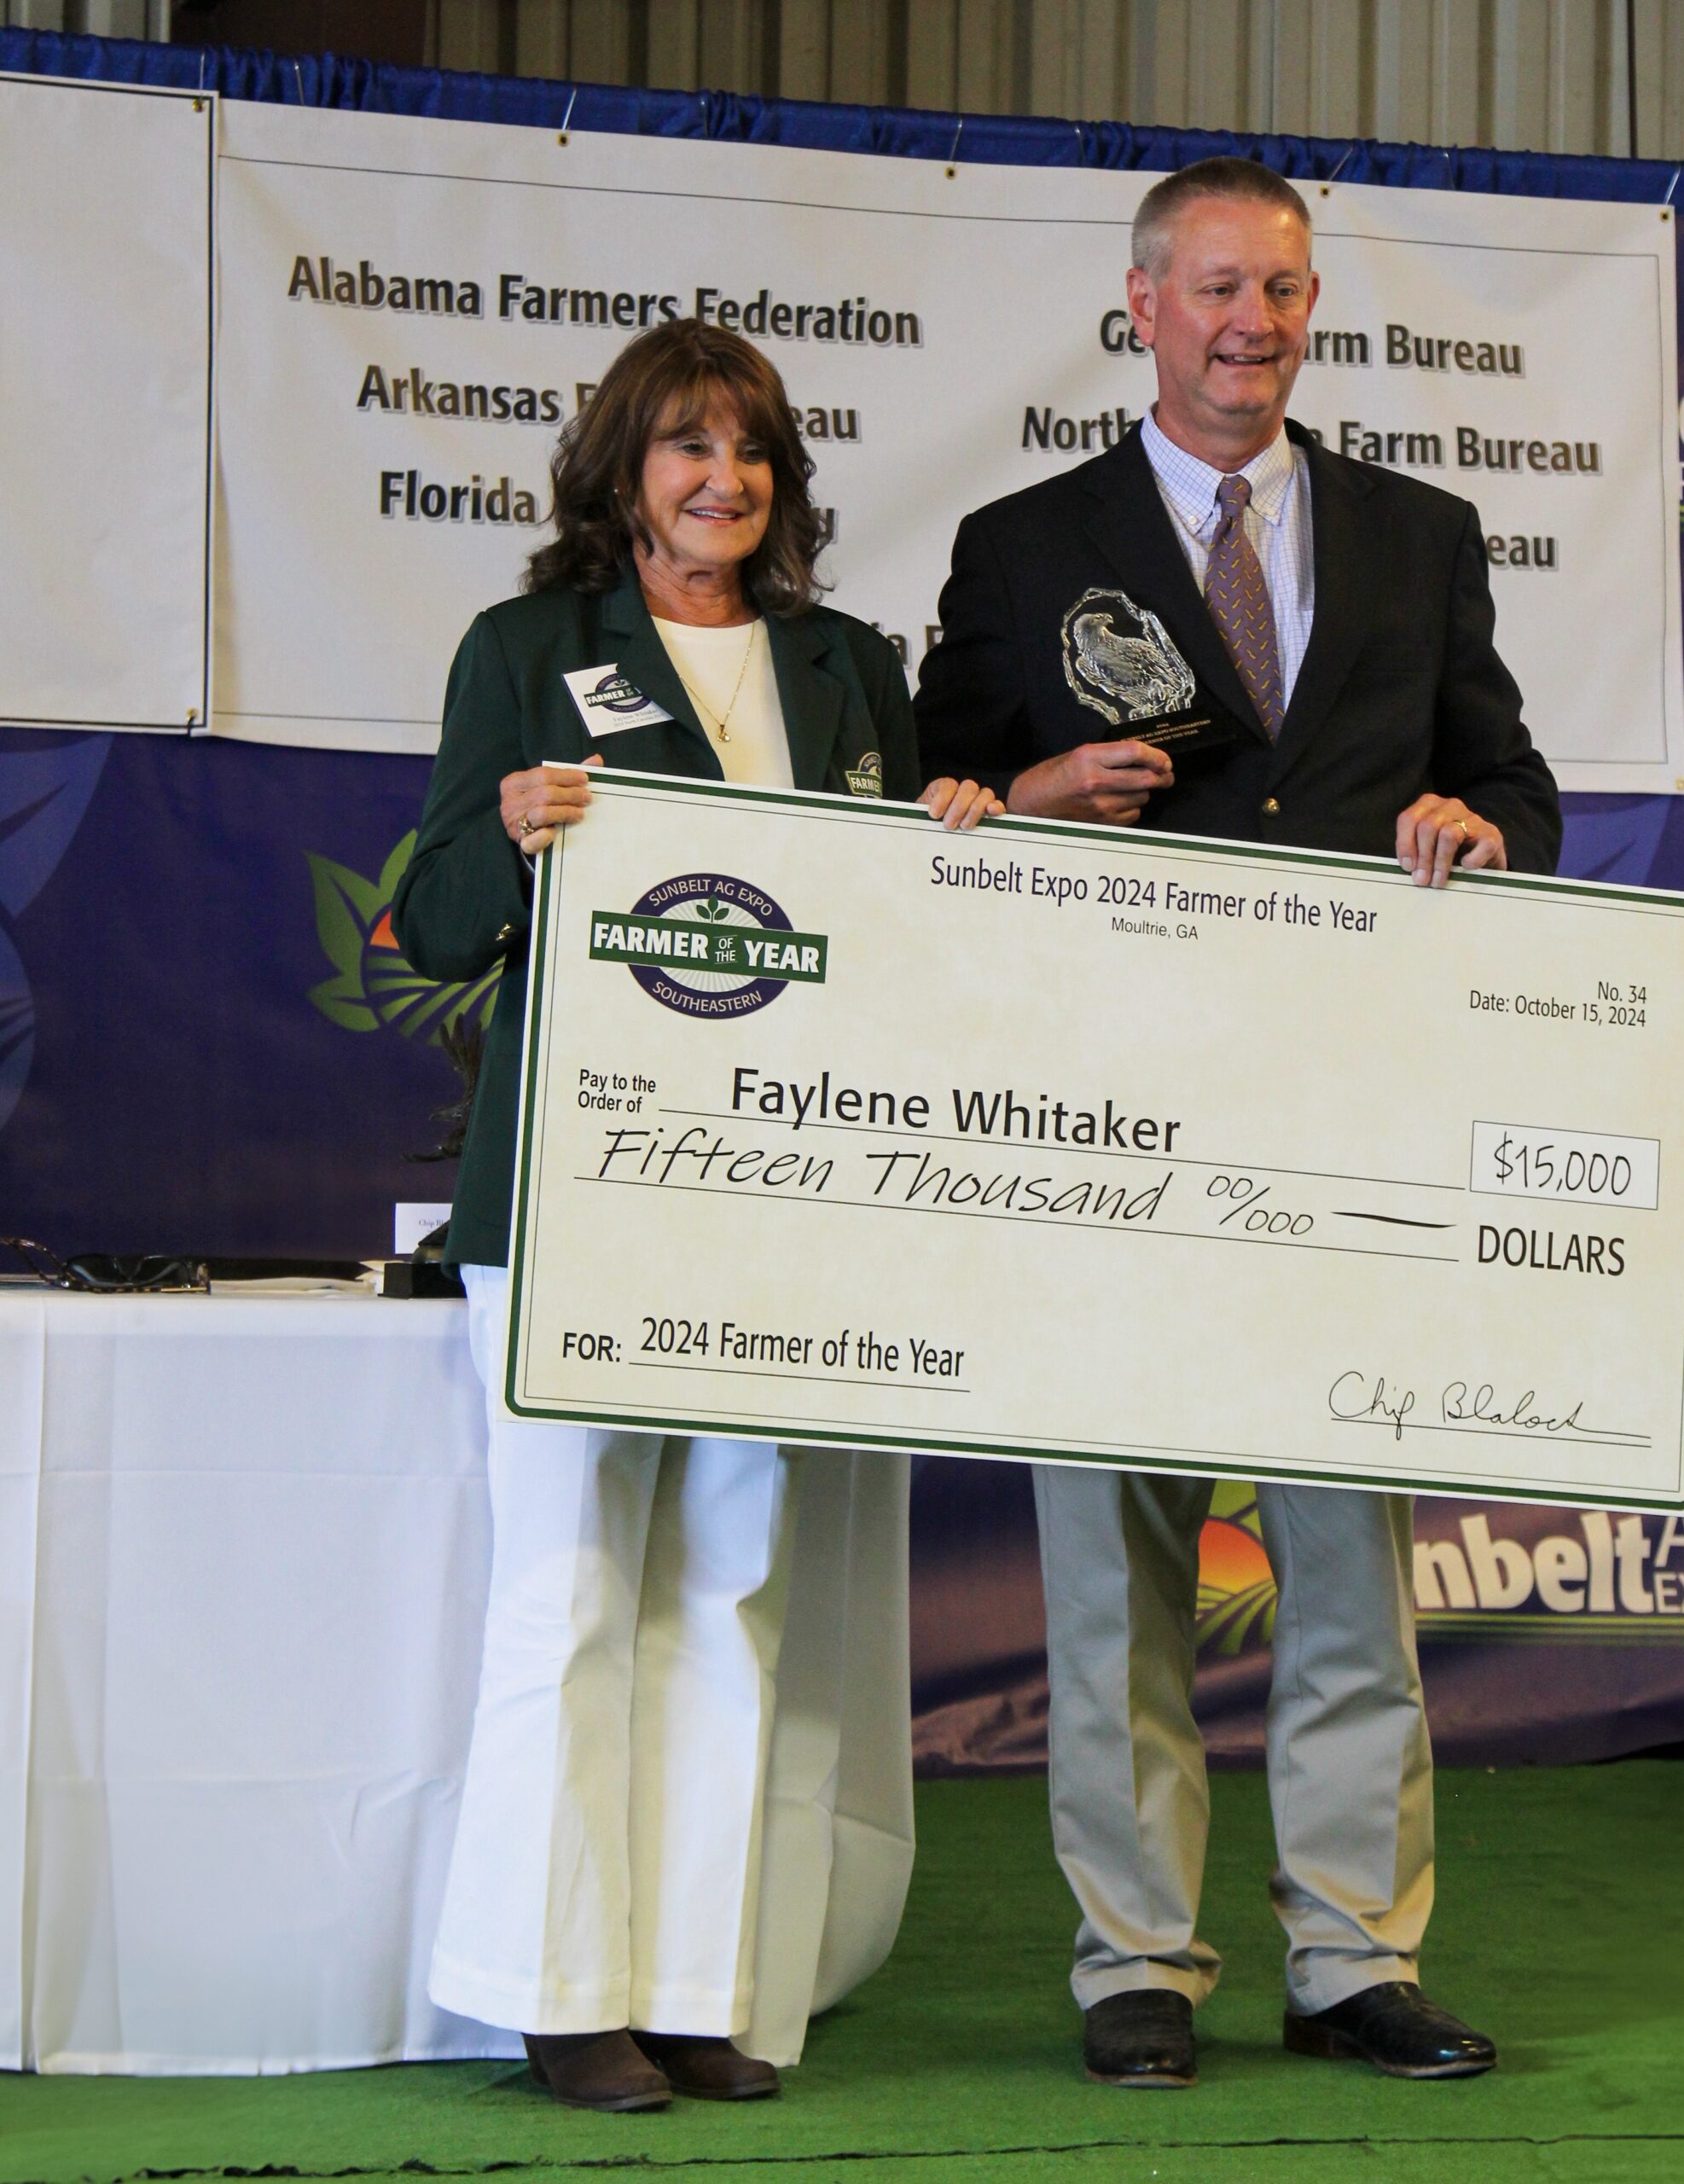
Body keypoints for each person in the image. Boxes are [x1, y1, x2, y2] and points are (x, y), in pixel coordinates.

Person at [915, 157, 1561, 2090]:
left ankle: (1358, 1952)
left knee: (1349, 1545)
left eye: (1282, 291)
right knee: (1114, 1553)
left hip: (1344, 1117)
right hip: (1105, 1109)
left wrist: (1482, 833)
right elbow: (939, 787)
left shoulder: (1421, 531)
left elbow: (1513, 783)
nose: (1253, 325)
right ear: (1139, 307)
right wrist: (1027, 786)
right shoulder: (1022, 542)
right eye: (1216, 290)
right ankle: (1139, 1956)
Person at [393, 319, 997, 2115]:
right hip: (574, 1188)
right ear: (620, 472)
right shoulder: (526, 649)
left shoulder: (846, 667)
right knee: (574, 1581)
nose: (719, 480)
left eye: (748, 452)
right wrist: (506, 828)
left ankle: (692, 1981)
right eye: (683, 449)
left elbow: (897, 941)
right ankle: (550, 1984)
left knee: (732, 1585)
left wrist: (953, 844)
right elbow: (431, 921)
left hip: (778, 1196)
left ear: (782, 482)